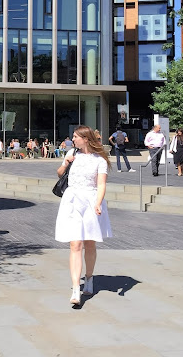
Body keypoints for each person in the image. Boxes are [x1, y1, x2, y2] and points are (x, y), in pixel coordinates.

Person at [55, 125, 112, 305]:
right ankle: (75, 288)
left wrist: (98, 202)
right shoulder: (72, 154)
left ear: (86, 139)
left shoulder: (99, 160)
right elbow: (59, 174)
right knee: (75, 243)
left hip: (90, 200)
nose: (73, 140)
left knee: (90, 243)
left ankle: (88, 277)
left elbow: (101, 184)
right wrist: (66, 162)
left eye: (76, 137)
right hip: (72, 200)